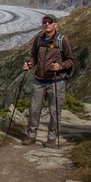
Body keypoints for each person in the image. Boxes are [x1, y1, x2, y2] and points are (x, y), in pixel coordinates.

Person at [21, 14, 75, 147]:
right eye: (44, 22)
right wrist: (30, 64)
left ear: (55, 24)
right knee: (34, 109)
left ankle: (52, 137)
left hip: (56, 81)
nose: (46, 24)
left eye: (50, 22)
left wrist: (60, 66)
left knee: (54, 110)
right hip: (39, 80)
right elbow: (33, 56)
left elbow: (71, 60)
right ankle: (31, 135)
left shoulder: (62, 40)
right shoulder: (39, 39)